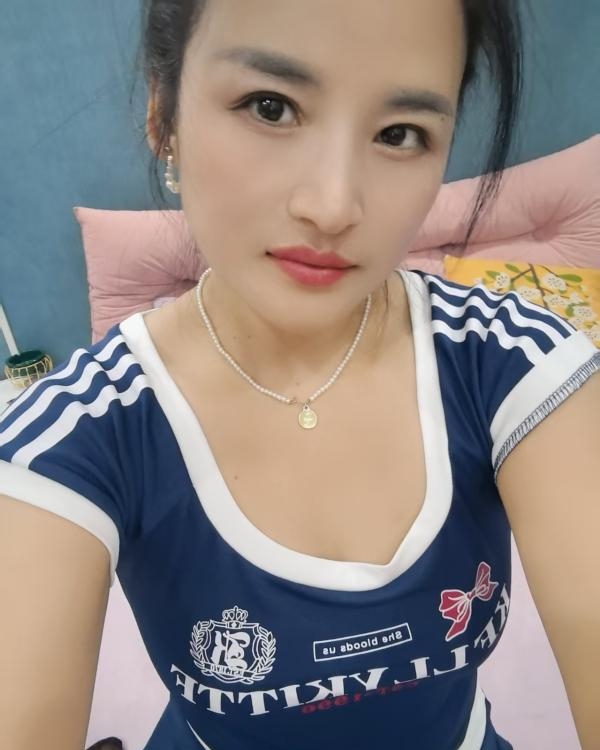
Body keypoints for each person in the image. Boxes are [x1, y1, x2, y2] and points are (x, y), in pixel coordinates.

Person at [0, 1, 598, 748]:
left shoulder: (509, 362)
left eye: (399, 133)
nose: (333, 206)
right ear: (165, 115)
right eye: (270, 106)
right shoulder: (77, 438)